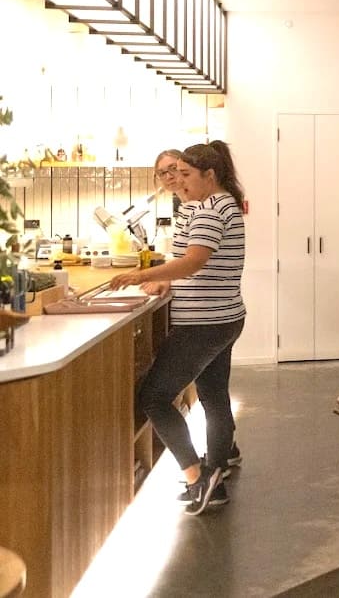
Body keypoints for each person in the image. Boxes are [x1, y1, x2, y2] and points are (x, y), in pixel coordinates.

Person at [109, 141, 246, 516]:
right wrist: (166, 279)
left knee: (154, 397)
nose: (179, 181)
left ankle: (197, 476)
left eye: (185, 174)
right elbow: (191, 263)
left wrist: (142, 275)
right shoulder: (221, 204)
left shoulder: (210, 210)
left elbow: (192, 262)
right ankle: (214, 478)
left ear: (209, 175)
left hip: (203, 322)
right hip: (222, 317)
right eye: (172, 174)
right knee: (213, 396)